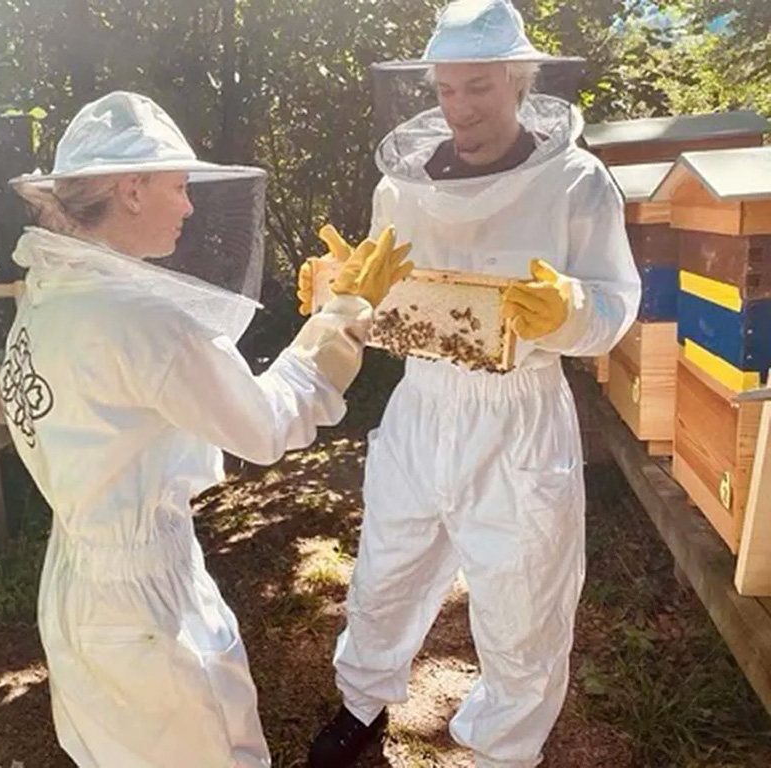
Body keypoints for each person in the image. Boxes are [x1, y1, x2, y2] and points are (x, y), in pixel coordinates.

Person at [0, 90, 413, 768]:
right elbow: (266, 424)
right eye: (179, 185)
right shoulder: (139, 319)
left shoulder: (46, 296)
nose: (189, 205)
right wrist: (343, 313)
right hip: (143, 611)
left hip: (75, 585)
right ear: (132, 190)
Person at [300, 2, 642, 767]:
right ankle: (362, 706)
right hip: (423, 401)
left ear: (519, 81)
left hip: (520, 412)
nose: (460, 108)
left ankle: (504, 753)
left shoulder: (576, 183)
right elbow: (385, 298)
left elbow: (615, 306)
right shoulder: (404, 187)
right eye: (448, 89)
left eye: (479, 87)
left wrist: (571, 309)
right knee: (387, 566)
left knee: (523, 599)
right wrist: (339, 294)